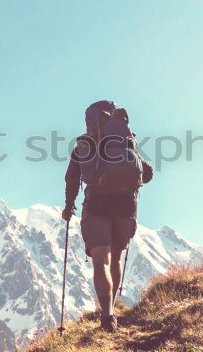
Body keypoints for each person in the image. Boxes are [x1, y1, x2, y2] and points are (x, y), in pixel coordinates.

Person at [62, 100, 154, 332]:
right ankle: (112, 308)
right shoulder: (127, 142)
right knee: (115, 257)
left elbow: (71, 178)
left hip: (97, 205)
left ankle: (107, 315)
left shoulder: (84, 145)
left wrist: (68, 206)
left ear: (90, 121)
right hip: (125, 206)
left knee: (101, 259)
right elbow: (148, 173)